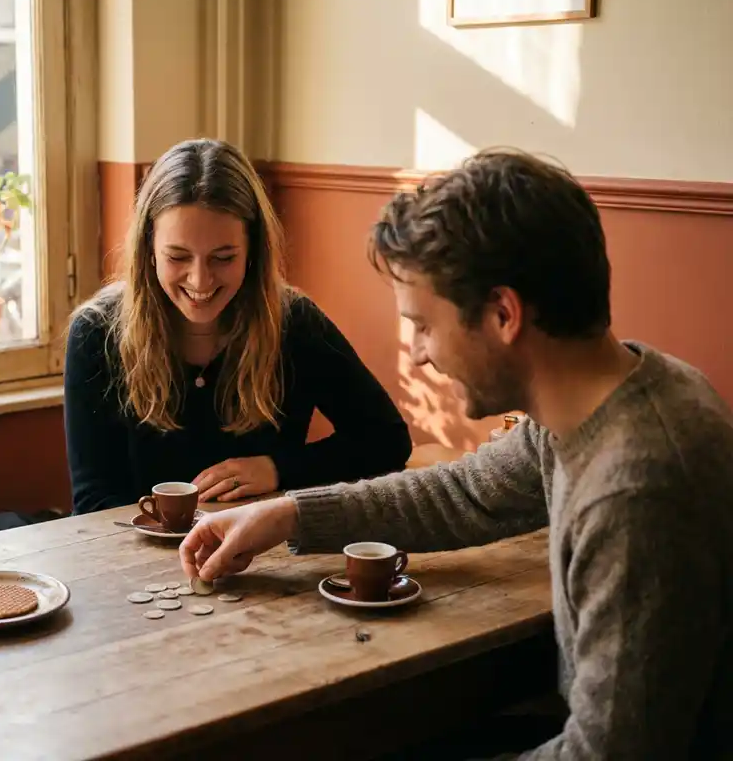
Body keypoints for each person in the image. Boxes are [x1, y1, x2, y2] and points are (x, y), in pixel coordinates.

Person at [179, 149, 733, 759]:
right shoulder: (605, 398)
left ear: (503, 314)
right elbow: (464, 492)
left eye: (423, 325)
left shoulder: (637, 491)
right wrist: (287, 515)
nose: (416, 355)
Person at [64, 138, 412, 516]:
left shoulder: (295, 322)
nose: (200, 280)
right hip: (134, 557)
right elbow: (94, 500)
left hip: (265, 553)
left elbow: (387, 440)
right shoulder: (97, 331)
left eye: (223, 257)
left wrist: (279, 469)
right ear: (148, 249)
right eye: (178, 256)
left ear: (252, 250)